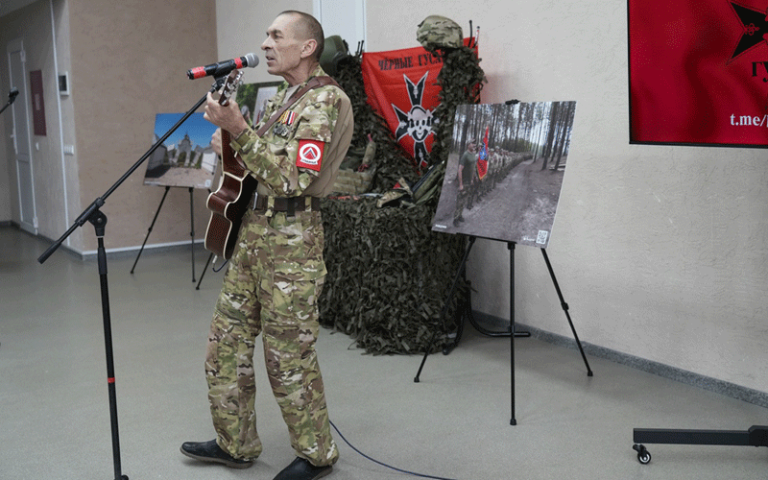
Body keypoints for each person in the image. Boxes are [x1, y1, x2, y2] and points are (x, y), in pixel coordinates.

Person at [180, 10, 353, 480]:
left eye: (277, 36)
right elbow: (261, 164)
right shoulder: (284, 96)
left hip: (292, 246)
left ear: (307, 47)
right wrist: (230, 141)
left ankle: (316, 455)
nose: (265, 44)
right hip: (253, 237)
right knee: (225, 343)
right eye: (266, 35)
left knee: (287, 357)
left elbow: (293, 179)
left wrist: (239, 130)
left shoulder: (324, 100)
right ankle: (234, 443)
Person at [453, 139, 478, 225]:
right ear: (468, 145)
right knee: (460, 201)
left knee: (464, 200)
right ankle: (455, 219)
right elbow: (460, 170)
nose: (474, 145)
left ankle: (460, 215)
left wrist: (472, 179)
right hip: (463, 182)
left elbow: (473, 168)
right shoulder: (465, 155)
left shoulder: (473, 154)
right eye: (472, 143)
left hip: (468, 182)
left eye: (475, 143)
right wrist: (460, 184)